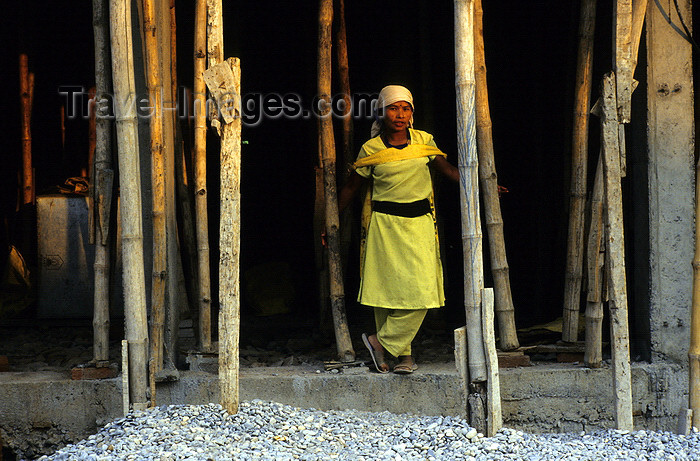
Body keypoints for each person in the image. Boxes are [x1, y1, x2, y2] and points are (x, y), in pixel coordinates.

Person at [338, 85, 459, 374]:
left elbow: (451, 172)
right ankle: (402, 356)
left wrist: (484, 186)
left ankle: (379, 342)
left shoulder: (424, 142)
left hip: (419, 224)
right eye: (393, 108)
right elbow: (352, 187)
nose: (400, 114)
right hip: (385, 225)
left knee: (423, 291)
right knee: (387, 292)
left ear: (412, 113)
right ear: (382, 112)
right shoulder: (371, 149)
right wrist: (331, 222)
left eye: (406, 108)